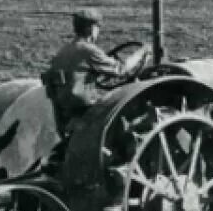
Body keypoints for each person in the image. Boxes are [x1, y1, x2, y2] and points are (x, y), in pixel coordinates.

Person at [43, 7, 150, 135]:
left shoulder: (63, 51)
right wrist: (141, 53)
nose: (98, 31)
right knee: (136, 113)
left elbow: (76, 77)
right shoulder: (88, 50)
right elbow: (121, 70)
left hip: (66, 113)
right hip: (87, 109)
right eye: (98, 26)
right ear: (91, 29)